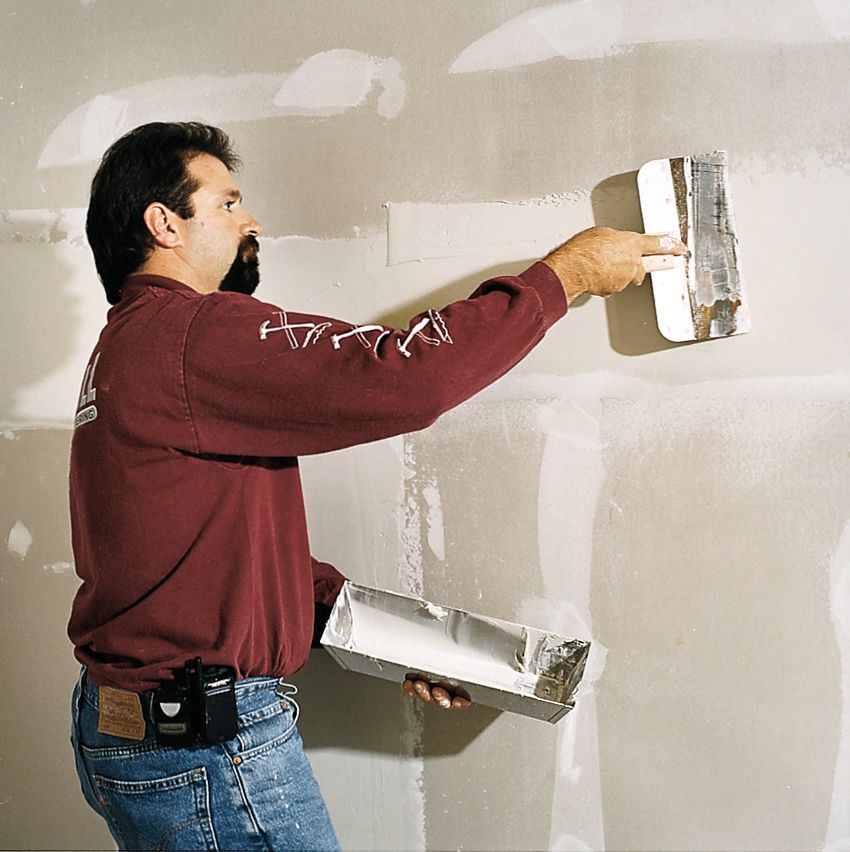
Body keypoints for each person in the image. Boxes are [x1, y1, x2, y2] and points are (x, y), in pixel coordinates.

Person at [67, 122, 685, 851]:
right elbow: (403, 377)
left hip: (138, 734)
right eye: (228, 202)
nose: (250, 220)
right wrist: (565, 277)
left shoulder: (128, 347)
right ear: (164, 223)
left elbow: (198, 565)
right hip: (203, 754)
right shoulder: (192, 335)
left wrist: (401, 641)